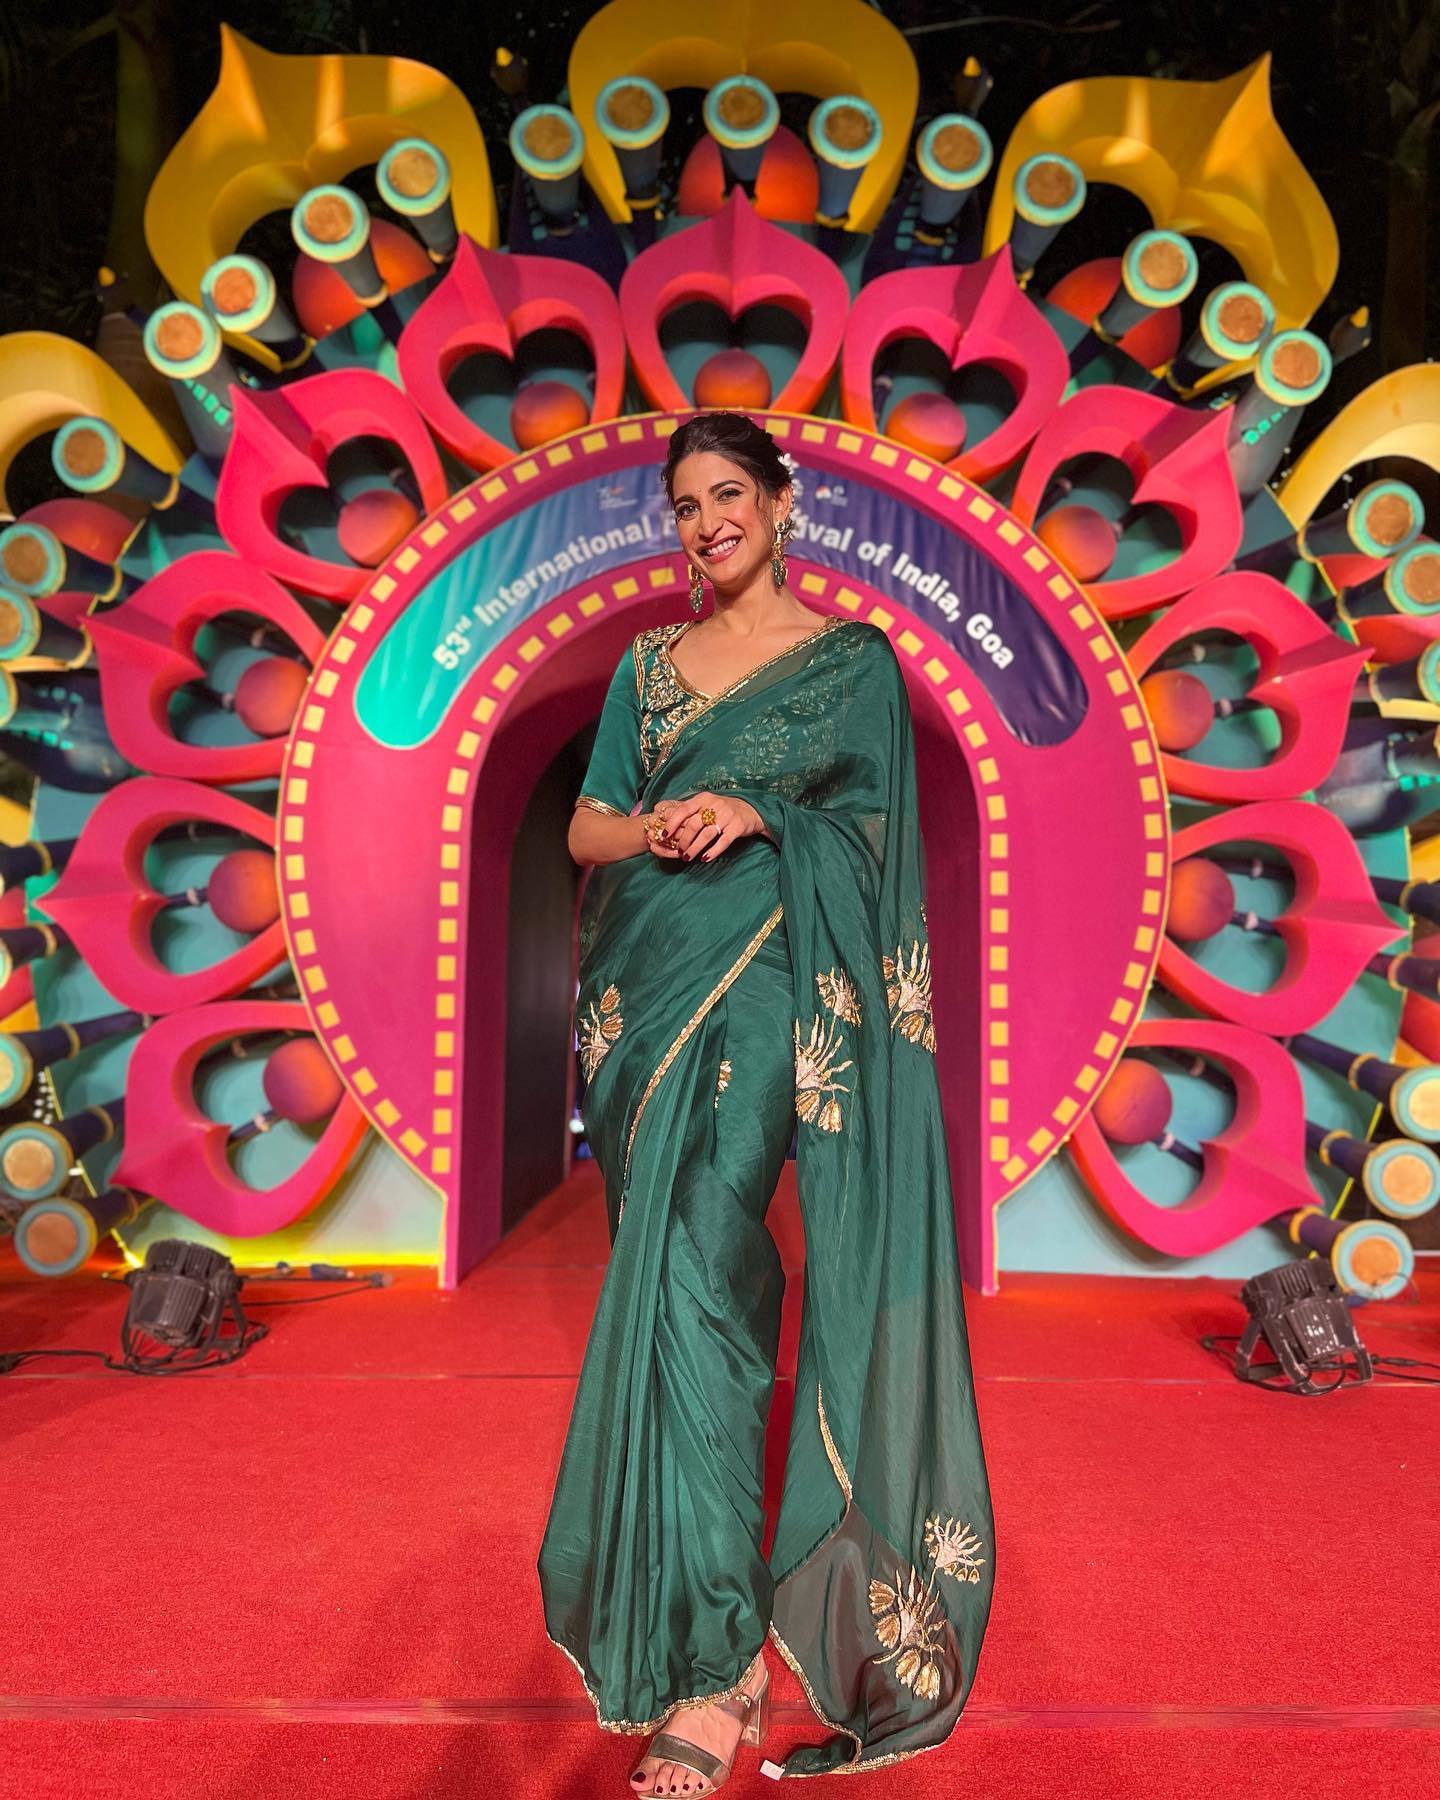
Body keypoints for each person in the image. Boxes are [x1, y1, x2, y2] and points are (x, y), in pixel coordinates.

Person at [537, 410, 994, 1793]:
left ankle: (720, 1660)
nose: (706, 522)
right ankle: (710, 1644)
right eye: (685, 505)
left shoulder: (850, 664)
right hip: (646, 999)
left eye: (728, 493)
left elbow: (876, 840)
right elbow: (590, 827)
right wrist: (667, 822)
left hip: (780, 991)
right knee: (689, 1282)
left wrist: (763, 817)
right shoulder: (647, 666)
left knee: (693, 1260)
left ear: (784, 502)